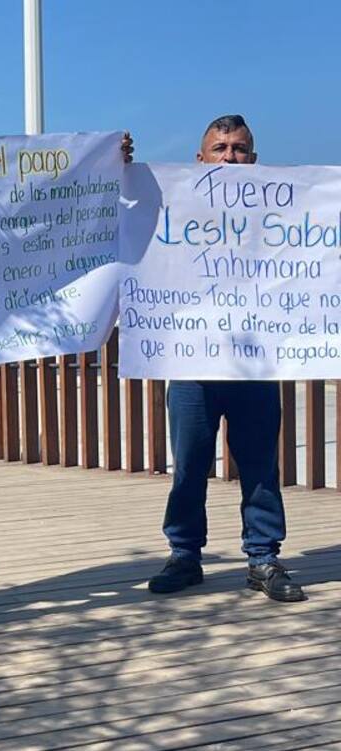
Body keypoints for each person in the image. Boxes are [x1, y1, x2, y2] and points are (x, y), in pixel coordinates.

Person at [146, 114, 305, 602]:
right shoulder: (171, 206)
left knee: (259, 465)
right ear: (200, 158)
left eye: (238, 149)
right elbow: (125, 212)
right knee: (190, 464)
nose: (229, 157)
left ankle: (263, 558)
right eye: (220, 148)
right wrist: (118, 165)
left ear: (253, 159)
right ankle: (185, 555)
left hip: (255, 363)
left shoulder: (284, 213)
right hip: (193, 362)